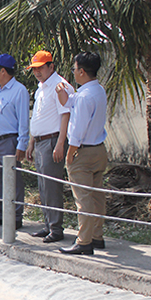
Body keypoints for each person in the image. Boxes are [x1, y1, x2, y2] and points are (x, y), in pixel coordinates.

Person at [56, 52, 108, 255]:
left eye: (75, 69)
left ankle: (84, 241)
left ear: (82, 71)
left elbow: (78, 129)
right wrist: (62, 93)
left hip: (83, 151)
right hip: (98, 149)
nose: (74, 72)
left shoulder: (85, 96)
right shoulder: (97, 90)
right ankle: (96, 236)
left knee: (83, 198)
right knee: (96, 195)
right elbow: (70, 102)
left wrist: (70, 153)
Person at [25, 51, 73, 243]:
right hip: (40, 141)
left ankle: (56, 228)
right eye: (34, 69)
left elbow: (65, 115)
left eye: (40, 68)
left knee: (52, 186)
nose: (37, 72)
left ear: (51, 66)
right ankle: (48, 224)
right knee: (43, 186)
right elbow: (38, 116)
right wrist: (31, 142)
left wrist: (60, 143)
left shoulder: (59, 85)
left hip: (52, 140)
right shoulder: (41, 87)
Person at [0, 53, 30, 229]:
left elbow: (23, 120)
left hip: (9, 140)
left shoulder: (19, 90)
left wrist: (22, 144)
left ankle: (15, 216)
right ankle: (0, 214)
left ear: (3, 71)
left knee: (13, 180)